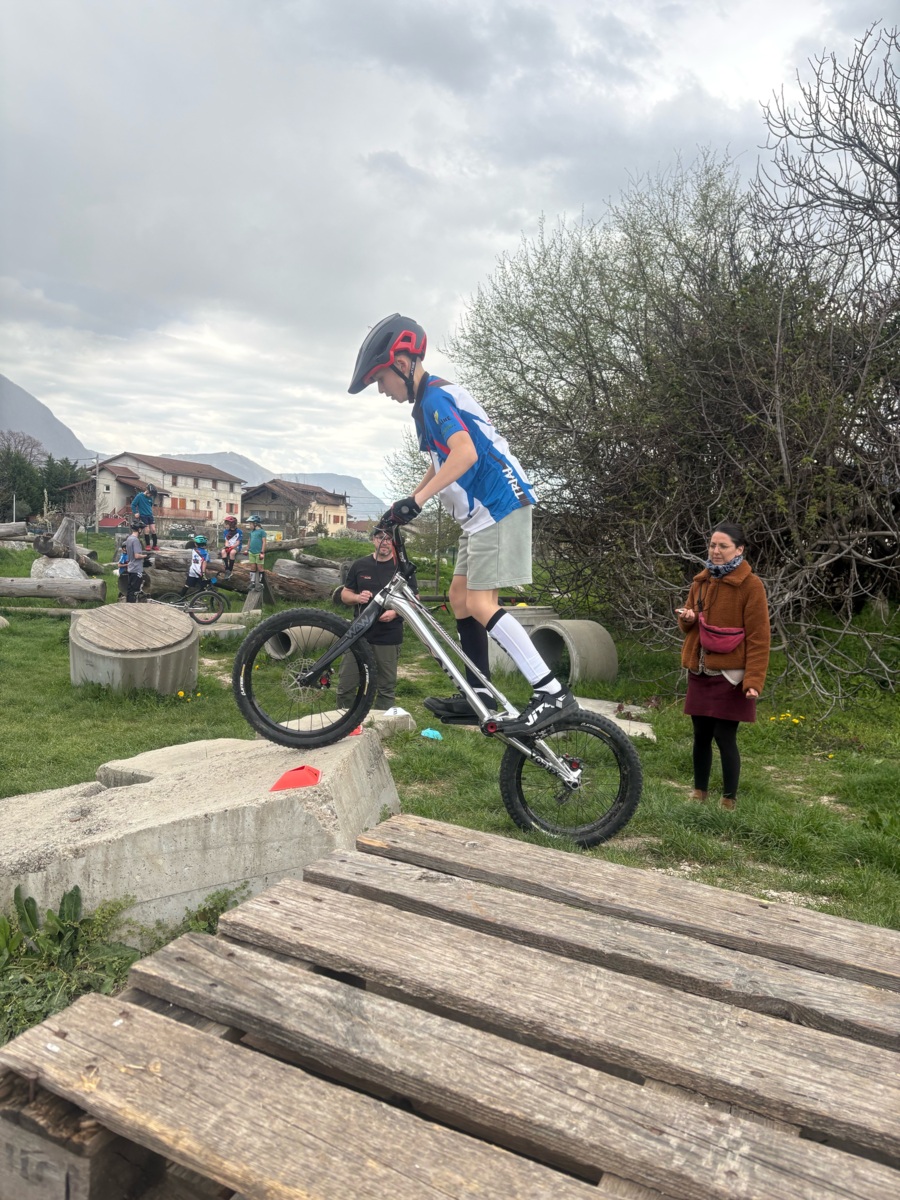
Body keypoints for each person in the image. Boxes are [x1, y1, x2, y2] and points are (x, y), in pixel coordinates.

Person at [348, 313, 577, 736]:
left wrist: (418, 501)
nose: (381, 389)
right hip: (480, 517)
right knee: (459, 598)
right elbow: (441, 462)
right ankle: (481, 695)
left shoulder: (434, 399)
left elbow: (466, 453)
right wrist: (405, 502)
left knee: (481, 603)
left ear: (403, 363)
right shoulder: (426, 405)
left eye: (380, 378)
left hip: (498, 505)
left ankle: (551, 692)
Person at [676, 522, 771, 810]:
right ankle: (699, 793)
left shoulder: (751, 586)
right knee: (700, 735)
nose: (716, 551)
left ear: (739, 550)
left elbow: (759, 638)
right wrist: (688, 618)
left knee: (724, 736)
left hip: (730, 675)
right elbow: (688, 626)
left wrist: (753, 681)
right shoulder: (700, 581)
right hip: (700, 669)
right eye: (712, 545)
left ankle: (729, 799)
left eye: (723, 546)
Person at [336, 526, 418, 711]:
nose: (384, 542)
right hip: (359, 633)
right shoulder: (360, 565)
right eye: (380, 537)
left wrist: (396, 612)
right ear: (373, 540)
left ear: (394, 543)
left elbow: (415, 600)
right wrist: (357, 597)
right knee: (345, 686)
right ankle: (346, 722)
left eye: (389, 539)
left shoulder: (403, 568)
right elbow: (345, 594)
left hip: (388, 634)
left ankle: (381, 723)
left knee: (386, 688)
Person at [123, 519, 146, 603]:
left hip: (131, 567)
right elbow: (136, 555)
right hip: (137, 568)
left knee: (130, 590)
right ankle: (132, 606)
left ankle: (128, 605)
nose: (142, 531)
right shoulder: (136, 540)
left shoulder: (129, 539)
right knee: (135, 591)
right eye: (141, 529)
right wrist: (145, 556)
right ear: (139, 529)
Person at [246, 515, 267, 587]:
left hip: (259, 553)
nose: (249, 525)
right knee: (252, 567)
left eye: (250, 524)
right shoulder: (252, 532)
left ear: (255, 524)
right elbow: (249, 541)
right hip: (251, 552)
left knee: (260, 567)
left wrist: (262, 552)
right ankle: (252, 582)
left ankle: (261, 583)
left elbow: (264, 542)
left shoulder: (262, 532)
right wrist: (247, 549)